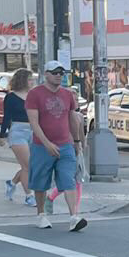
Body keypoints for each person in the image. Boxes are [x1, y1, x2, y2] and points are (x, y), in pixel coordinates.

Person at [26, 61, 86, 232]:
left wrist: (77, 142)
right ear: (46, 74)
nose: (59, 75)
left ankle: (74, 217)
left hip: (65, 145)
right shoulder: (35, 94)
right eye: (55, 72)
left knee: (69, 179)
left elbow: (72, 118)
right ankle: (41, 215)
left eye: (61, 72)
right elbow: (34, 123)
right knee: (40, 182)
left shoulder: (67, 94)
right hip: (41, 146)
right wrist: (47, 143)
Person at [0, 67, 35, 206]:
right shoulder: (11, 97)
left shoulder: (33, 95)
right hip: (18, 131)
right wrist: (2, 136)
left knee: (31, 165)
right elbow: (7, 116)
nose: (32, 82)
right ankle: (29, 196)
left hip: (33, 131)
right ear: (22, 80)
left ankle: (12, 183)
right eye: (29, 79)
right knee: (27, 166)